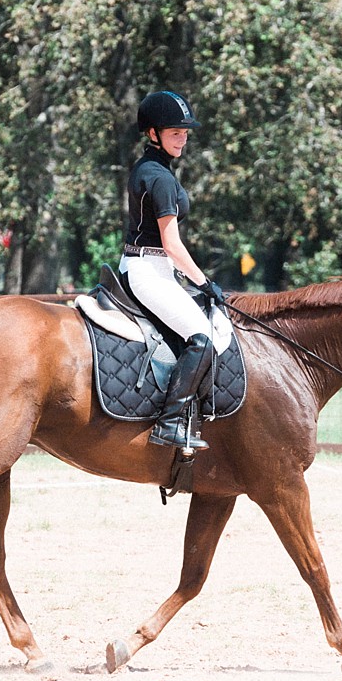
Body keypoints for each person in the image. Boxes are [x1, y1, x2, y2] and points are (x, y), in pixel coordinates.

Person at [122, 90, 227, 451]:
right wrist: (204, 282)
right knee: (203, 337)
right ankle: (169, 424)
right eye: (174, 133)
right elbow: (172, 244)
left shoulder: (151, 169)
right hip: (150, 270)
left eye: (185, 132)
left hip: (151, 267)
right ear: (153, 134)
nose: (182, 139)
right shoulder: (161, 178)